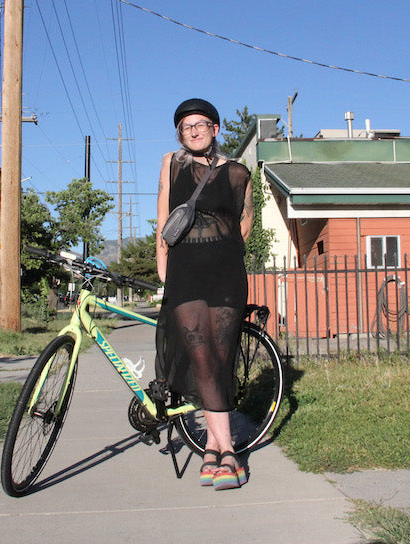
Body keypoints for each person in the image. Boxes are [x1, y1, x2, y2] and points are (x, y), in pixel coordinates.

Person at [155, 98, 253, 491]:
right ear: (180, 134)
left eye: (200, 124)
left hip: (225, 273)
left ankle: (212, 448)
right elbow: (164, 214)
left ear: (214, 128)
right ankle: (229, 451)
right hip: (186, 272)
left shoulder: (237, 172)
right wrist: (163, 261)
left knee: (221, 357)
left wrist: (227, 253)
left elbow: (244, 221)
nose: (193, 131)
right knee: (200, 355)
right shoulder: (171, 164)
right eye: (185, 126)